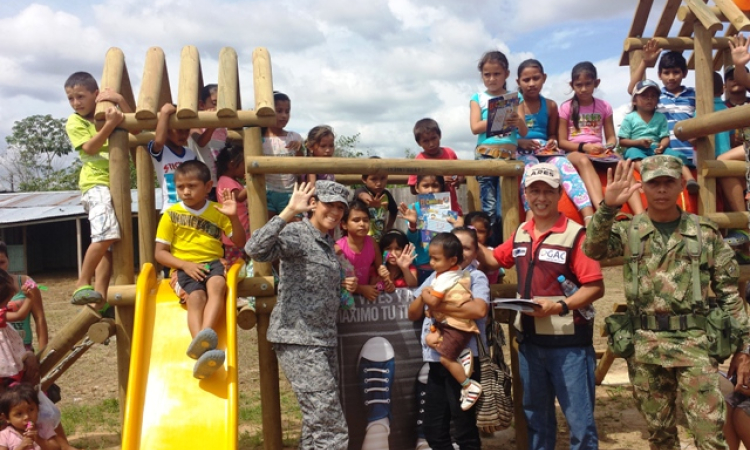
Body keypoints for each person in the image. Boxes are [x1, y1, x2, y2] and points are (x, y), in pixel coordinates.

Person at [583, 156, 750, 449]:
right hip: (645, 345)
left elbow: (730, 296)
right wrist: (608, 207)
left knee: (710, 433)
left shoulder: (704, 233)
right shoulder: (629, 230)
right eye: (654, 183)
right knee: (660, 434)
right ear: (642, 187)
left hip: (695, 344)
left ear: (681, 185)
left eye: (668, 182)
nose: (661, 190)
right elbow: (593, 249)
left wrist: (746, 349)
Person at [477, 162, 604, 449]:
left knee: (580, 424)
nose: (541, 197)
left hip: (569, 346)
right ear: (525, 193)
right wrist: (462, 236)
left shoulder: (577, 235)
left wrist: (559, 306)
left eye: (548, 191)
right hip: (530, 345)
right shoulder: (522, 231)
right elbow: (494, 259)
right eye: (535, 190)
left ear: (560, 194)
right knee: (536, 420)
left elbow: (595, 287)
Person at [245, 181, 354, 450]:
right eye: (330, 204)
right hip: (299, 340)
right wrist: (288, 211)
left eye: (341, 208)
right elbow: (255, 249)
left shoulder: (328, 243)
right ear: (314, 203)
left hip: (323, 340)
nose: (336, 212)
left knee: (315, 425)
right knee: (330, 427)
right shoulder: (297, 233)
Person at [154, 160, 246, 379]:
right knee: (196, 298)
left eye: (192, 186)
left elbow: (240, 241)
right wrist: (185, 264)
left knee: (217, 284)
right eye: (180, 187)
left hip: (212, 263)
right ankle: (201, 347)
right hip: (183, 267)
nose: (185, 191)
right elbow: (160, 253)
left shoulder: (217, 211)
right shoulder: (171, 215)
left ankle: (206, 333)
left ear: (208, 186)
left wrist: (233, 217)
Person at [407, 227, 489, 450]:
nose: (461, 253)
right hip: (435, 361)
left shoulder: (475, 277)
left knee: (464, 429)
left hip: (464, 359)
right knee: (433, 428)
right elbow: (413, 313)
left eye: (466, 248)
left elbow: (479, 310)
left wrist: (433, 303)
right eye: (456, 246)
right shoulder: (435, 277)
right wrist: (425, 297)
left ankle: (468, 386)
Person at [64, 71, 133, 310]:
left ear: (96, 94)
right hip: (95, 184)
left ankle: (100, 298)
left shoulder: (109, 113)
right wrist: (110, 126)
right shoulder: (75, 121)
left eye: (81, 97)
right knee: (105, 235)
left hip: (117, 184)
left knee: (109, 246)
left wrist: (119, 99)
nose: (76, 103)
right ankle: (82, 282)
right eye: (71, 99)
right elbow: (91, 148)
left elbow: (135, 125)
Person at [558, 62, 645, 215]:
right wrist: (584, 147)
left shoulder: (604, 106)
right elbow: (562, 142)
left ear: (596, 83)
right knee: (584, 161)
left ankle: (640, 214)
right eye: (579, 85)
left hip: (599, 151)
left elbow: (611, 136)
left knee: (622, 164)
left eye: (588, 84)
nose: (583, 89)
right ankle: (601, 209)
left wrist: (609, 146)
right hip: (576, 152)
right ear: (572, 85)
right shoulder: (566, 107)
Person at [516, 59, 595, 225]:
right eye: (526, 80)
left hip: (545, 150)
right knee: (530, 171)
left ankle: (588, 215)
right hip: (522, 150)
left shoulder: (550, 105)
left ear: (544, 78)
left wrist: (552, 142)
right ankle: (530, 216)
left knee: (565, 166)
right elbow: (508, 134)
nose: (531, 84)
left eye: (536, 78)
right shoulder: (514, 104)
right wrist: (520, 142)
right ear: (518, 82)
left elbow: (552, 134)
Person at [419, 233, 482, 410]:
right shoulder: (451, 273)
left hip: (456, 326)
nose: (431, 263)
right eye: (430, 258)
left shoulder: (445, 277)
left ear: (453, 259)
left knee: (445, 360)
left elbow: (433, 301)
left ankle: (469, 386)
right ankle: (461, 355)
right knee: (430, 339)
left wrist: (425, 293)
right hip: (448, 323)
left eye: (436, 259)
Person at [628, 39, 699, 193]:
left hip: (689, 153)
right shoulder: (656, 96)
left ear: (684, 73)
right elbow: (633, 90)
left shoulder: (694, 95)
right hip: (663, 153)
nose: (671, 77)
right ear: (659, 75)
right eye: (666, 73)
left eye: (676, 72)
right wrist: (645, 63)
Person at [470, 51, 528, 231]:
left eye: (497, 74)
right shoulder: (477, 98)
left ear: (506, 75)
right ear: (482, 76)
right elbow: (474, 127)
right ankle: (492, 248)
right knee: (488, 206)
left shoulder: (516, 97)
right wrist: (497, 118)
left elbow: (524, 130)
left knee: (507, 204)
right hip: (485, 156)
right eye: (487, 74)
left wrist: (517, 121)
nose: (492, 79)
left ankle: (505, 248)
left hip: (509, 158)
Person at [398, 175, 454, 284]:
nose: (430, 190)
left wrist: (457, 222)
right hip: (421, 265)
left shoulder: (446, 208)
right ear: (417, 188)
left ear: (441, 187)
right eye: (425, 186)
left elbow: (454, 230)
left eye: (435, 186)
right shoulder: (413, 209)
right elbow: (413, 239)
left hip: (444, 265)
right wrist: (413, 224)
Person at [407, 119, 463, 215]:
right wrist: (438, 181)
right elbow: (413, 189)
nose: (431, 144)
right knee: (434, 230)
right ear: (419, 143)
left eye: (434, 138)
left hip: (452, 208)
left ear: (440, 135)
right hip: (431, 212)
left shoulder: (449, 153)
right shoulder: (418, 161)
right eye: (426, 141)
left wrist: (457, 180)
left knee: (456, 229)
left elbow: (461, 175)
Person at [149, 103, 198, 213]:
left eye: (187, 131)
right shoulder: (161, 151)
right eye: (179, 130)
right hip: (170, 209)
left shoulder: (191, 154)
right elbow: (159, 141)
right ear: (167, 130)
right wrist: (165, 113)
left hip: (190, 209)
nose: (183, 135)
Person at [262, 92, 303, 219]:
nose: (284, 115)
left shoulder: (294, 137)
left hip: (290, 193)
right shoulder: (258, 139)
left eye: (287, 111)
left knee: (294, 233)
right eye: (279, 111)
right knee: (268, 231)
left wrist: (299, 149)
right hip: (267, 192)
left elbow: (301, 167)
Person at [0, 242, 48, 351]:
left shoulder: (27, 282)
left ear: (8, 260)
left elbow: (39, 318)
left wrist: (43, 354)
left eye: (1, 262)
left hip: (24, 350)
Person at [619, 79, 673, 172]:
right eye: (644, 95)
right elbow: (622, 141)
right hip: (637, 149)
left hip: (656, 149)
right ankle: (646, 173)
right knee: (632, 152)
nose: (649, 98)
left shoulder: (661, 117)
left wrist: (662, 146)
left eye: (653, 96)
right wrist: (639, 143)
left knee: (674, 154)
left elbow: (665, 137)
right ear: (634, 101)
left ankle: (689, 179)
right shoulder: (630, 118)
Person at [335, 200, 382, 301]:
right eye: (356, 220)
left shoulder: (372, 243)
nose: (362, 224)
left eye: (365, 220)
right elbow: (338, 281)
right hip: (346, 301)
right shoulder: (338, 248)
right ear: (344, 225)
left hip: (369, 297)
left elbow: (380, 270)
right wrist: (361, 289)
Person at [189, 83, 228, 195]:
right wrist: (211, 127)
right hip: (201, 182)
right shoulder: (195, 125)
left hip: (219, 182)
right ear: (202, 105)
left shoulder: (223, 129)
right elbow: (201, 142)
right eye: (214, 103)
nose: (217, 109)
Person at [215, 142, 249, 266]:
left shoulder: (229, 181)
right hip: (235, 234)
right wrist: (251, 182)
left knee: (241, 264)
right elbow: (239, 197)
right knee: (236, 265)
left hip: (240, 231)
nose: (246, 168)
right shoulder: (226, 181)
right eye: (244, 164)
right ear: (232, 164)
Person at [0, 384, 58, 450]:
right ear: (7, 418)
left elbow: (56, 448)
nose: (27, 417)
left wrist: (38, 439)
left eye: (31, 410)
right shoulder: (4, 435)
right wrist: (21, 447)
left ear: (38, 408)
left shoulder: (44, 427)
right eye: (19, 414)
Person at [355, 159, 398, 242]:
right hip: (361, 238)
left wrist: (388, 227)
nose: (379, 183)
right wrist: (370, 201)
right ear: (364, 179)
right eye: (374, 179)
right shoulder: (361, 191)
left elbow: (394, 211)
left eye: (383, 178)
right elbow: (362, 195)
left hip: (379, 237)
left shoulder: (386, 195)